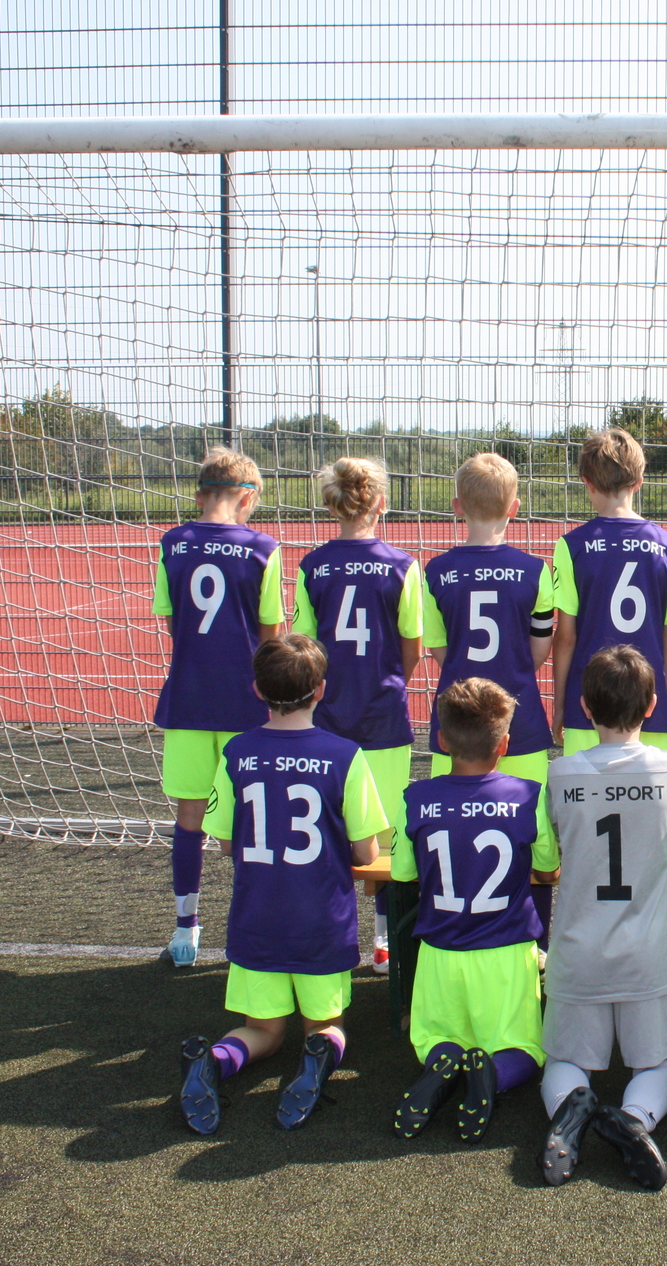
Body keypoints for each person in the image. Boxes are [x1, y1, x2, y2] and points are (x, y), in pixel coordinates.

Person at [178, 634, 389, 1135]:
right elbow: (367, 853)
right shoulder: (345, 756)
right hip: (321, 923)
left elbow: (227, 844)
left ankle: (216, 1061)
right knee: (326, 1026)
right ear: (321, 690)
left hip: (257, 920)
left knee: (263, 1032)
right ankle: (317, 1060)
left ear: (257, 690)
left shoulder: (237, 753)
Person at [539, 646, 667, 1191]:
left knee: (562, 1060)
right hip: (651, 953)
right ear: (653, 705)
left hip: (580, 951)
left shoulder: (559, 775)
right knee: (659, 1068)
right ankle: (634, 1118)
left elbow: (555, 849)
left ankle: (571, 1107)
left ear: (584, 706)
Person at [391, 677, 559, 1143]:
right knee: (525, 1050)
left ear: (442, 741)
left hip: (440, 953)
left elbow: (404, 874)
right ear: (504, 745)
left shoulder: (416, 799)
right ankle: (493, 1075)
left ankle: (445, 1065)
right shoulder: (528, 796)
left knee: (433, 1040)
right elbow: (547, 868)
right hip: (505, 955)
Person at [151, 446, 284, 967]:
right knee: (251, 823)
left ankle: (185, 933)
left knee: (189, 818)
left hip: (187, 699)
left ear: (201, 495)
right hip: (245, 707)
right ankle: (252, 932)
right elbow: (272, 637)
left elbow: (172, 622)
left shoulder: (173, 544)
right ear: (246, 497)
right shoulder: (261, 548)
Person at [294, 456, 422, 974]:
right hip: (384, 716)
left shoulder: (313, 565)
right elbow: (412, 645)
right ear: (381, 503)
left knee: (330, 833)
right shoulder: (402, 564)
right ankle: (384, 942)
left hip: (326, 719)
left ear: (331, 504)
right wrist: (389, 680)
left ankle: (327, 936)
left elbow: (303, 648)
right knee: (385, 839)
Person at [421, 453, 557, 784]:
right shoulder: (535, 571)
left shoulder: (436, 572)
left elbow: (440, 648)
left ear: (457, 506)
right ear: (514, 507)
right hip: (520, 721)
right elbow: (538, 653)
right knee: (530, 823)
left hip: (456, 726)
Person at [549, 428, 667, 755]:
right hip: (645, 704)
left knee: (587, 801)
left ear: (587, 483)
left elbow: (565, 636)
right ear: (639, 482)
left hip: (589, 704)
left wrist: (560, 704)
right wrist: (659, 696)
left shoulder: (572, 546)